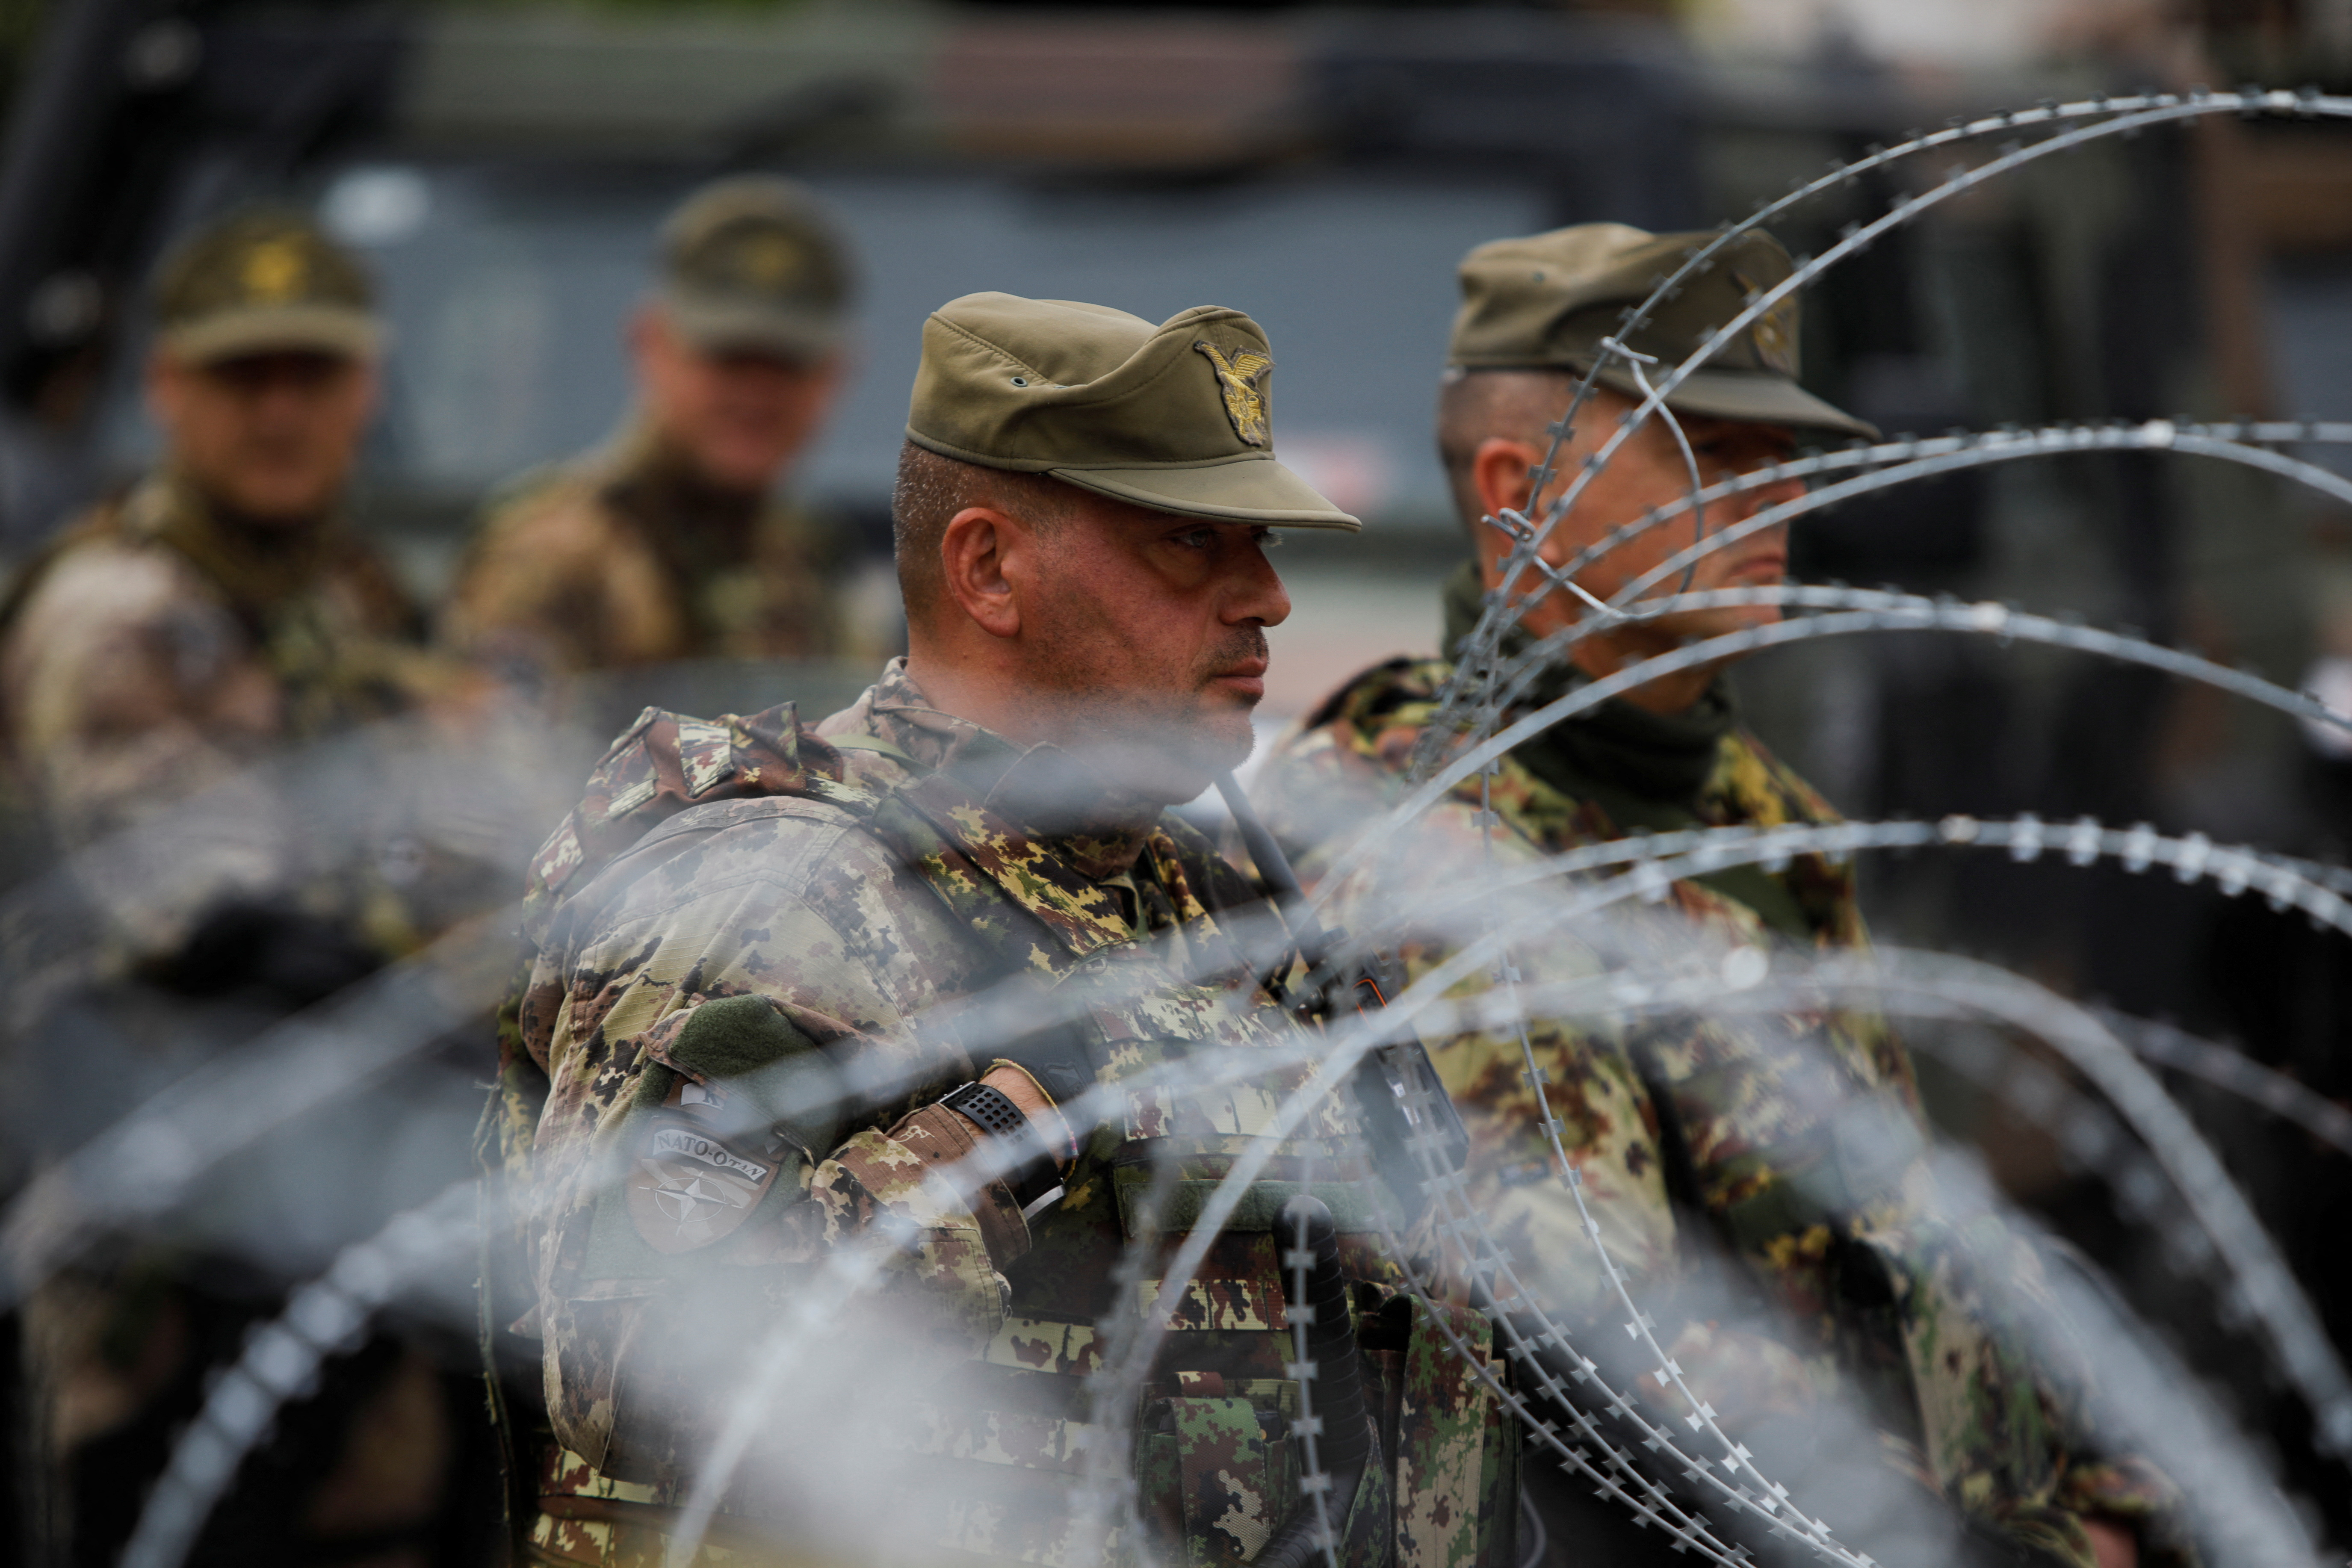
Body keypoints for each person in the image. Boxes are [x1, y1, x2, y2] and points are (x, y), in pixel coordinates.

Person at [485, 293, 1520, 1568]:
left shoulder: (1218, 903)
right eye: (1191, 543)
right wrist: (1004, 1133)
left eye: (1258, 541)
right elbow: (639, 1376)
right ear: (988, 568)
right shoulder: (782, 892)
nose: (1264, 598)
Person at [1249, 224, 2186, 1568]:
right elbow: (1624, 1345)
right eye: (1708, 456)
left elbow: (1901, 1238)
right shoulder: (1420, 846)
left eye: (1779, 455)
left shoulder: (1756, 808)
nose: (1773, 498)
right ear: (1518, 492)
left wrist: (2124, 1498)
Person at [0, 209, 497, 1568]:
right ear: (168, 389)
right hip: (167, 1285)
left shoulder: (347, 604)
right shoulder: (116, 613)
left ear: (365, 388)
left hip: (355, 1254)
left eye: (311, 374)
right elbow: (226, 927)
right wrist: (479, 987)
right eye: (241, 376)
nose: (279, 411)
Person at [441, 175, 864, 689]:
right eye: (728, 358)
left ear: (836, 375)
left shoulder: (807, 563)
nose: (756, 395)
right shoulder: (556, 557)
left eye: (787, 364)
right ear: (649, 345)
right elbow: (497, 759)